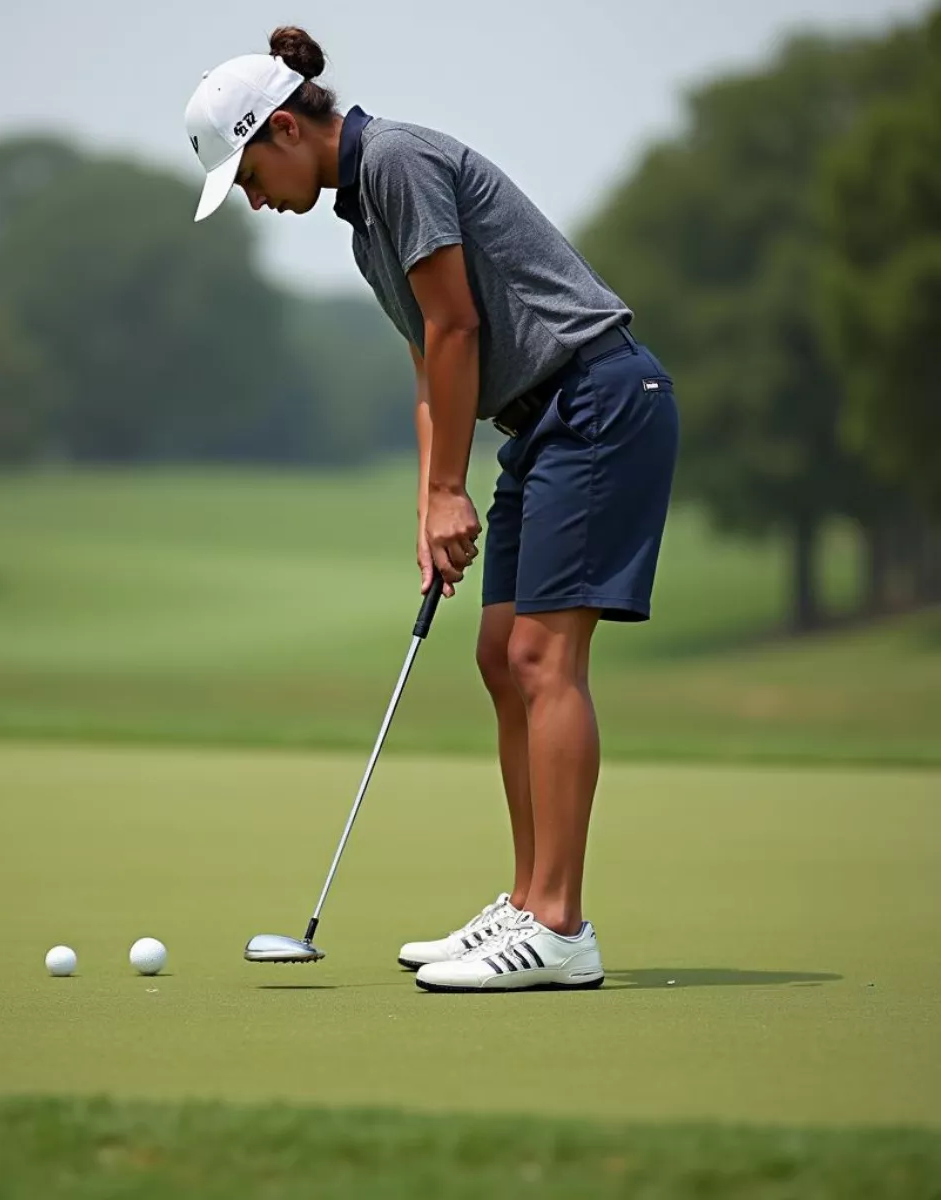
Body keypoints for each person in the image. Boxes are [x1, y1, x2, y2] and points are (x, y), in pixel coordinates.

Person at [184, 27, 679, 993]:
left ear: (285, 128)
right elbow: (427, 366)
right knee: (500, 655)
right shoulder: (366, 216)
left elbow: (459, 327)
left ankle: (561, 925)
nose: (251, 198)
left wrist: (454, 486)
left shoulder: (400, 162)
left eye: (246, 175)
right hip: (539, 423)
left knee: (543, 658)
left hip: (597, 401)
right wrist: (429, 503)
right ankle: (528, 900)